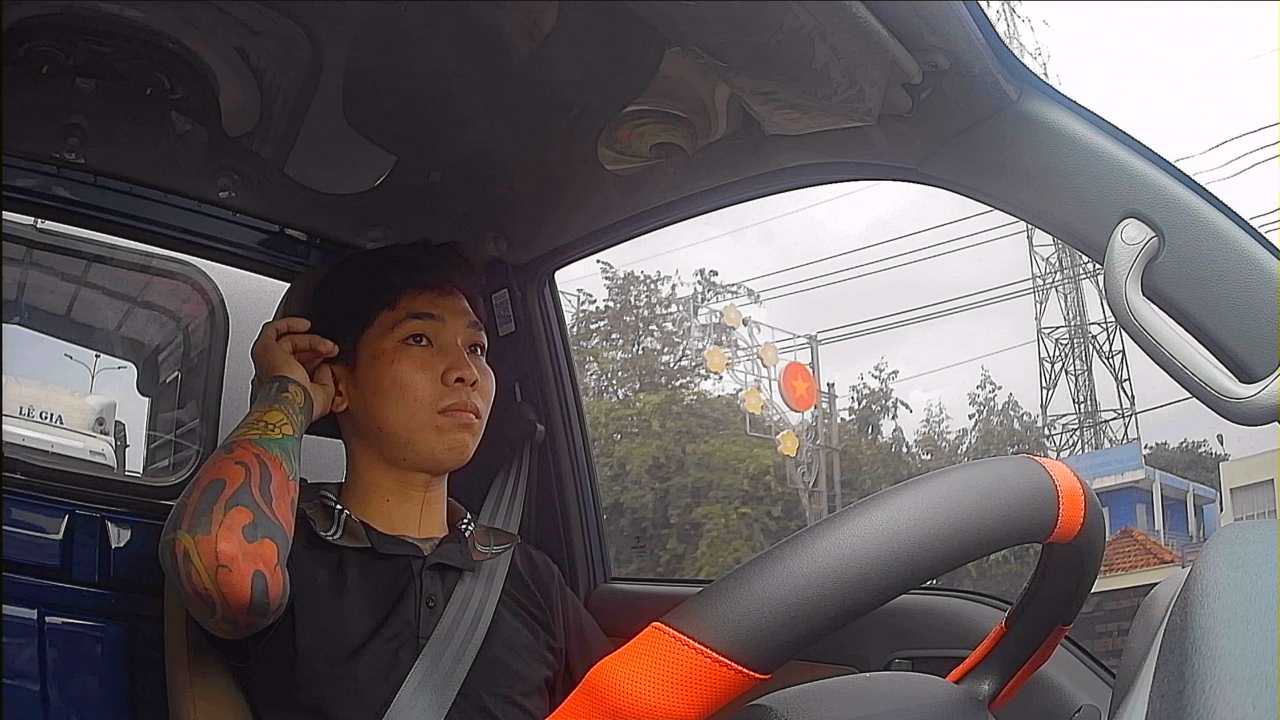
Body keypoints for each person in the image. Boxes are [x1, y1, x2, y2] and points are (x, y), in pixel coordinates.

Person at [158, 242, 611, 719]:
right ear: (338, 383)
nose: (466, 372)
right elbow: (221, 566)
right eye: (419, 339)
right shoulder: (286, 547)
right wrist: (287, 395)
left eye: (476, 348)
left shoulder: (527, 576)